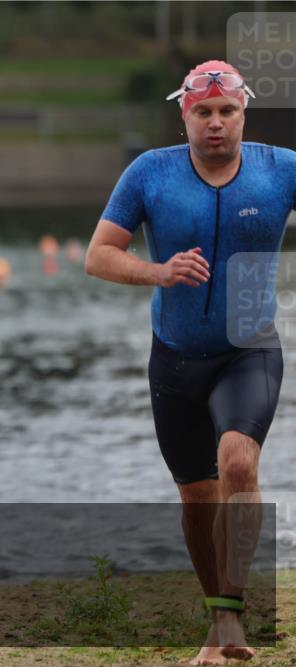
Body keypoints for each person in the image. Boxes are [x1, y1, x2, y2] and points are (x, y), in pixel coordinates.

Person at [85, 60, 294, 666]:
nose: (215, 123)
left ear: (243, 114)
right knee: (198, 498)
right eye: (203, 112)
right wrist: (158, 271)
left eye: (227, 111)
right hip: (175, 358)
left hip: (249, 350)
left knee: (238, 461)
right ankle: (218, 620)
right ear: (185, 115)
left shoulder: (281, 168)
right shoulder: (151, 172)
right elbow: (99, 256)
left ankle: (233, 609)